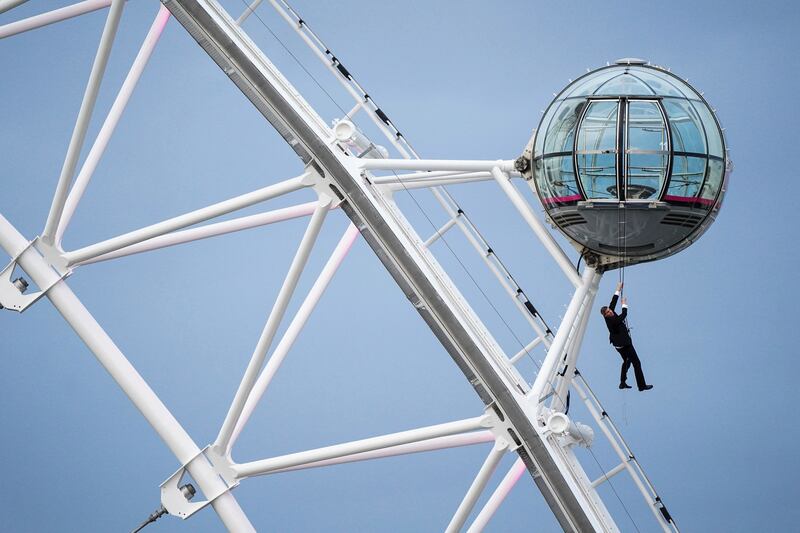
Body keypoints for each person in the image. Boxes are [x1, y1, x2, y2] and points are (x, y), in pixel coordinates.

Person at [600, 282, 653, 391]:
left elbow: (613, 301)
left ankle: (622, 382)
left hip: (618, 345)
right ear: (605, 316)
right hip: (624, 344)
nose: (610, 312)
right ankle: (641, 386)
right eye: (608, 313)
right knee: (636, 363)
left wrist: (618, 289)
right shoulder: (611, 320)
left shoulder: (610, 313)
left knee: (627, 361)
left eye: (610, 310)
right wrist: (624, 304)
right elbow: (623, 316)